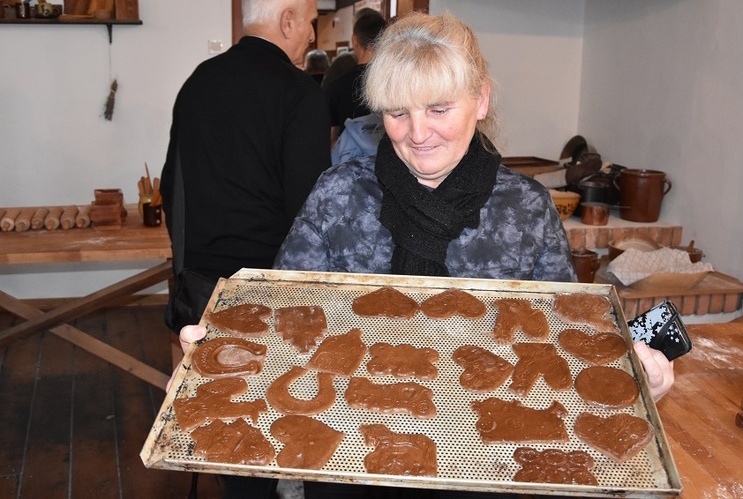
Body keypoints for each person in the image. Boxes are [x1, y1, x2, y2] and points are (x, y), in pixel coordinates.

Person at [170, 10, 674, 499]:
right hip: (351, 453)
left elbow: (567, 340)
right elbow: (283, 314)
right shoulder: (340, 194)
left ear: (480, 100)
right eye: (397, 112)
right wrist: (224, 348)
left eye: (438, 109)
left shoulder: (524, 208)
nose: (416, 133)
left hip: (483, 457)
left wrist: (634, 371)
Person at [159, 0, 331, 497]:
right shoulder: (299, 93)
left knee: (226, 420)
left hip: (205, 288)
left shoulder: (199, 81)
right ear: (289, 20)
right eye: (312, 24)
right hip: (271, 291)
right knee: (274, 414)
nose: (312, 38)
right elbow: (311, 210)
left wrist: (188, 264)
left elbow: (176, 184)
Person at [324, 9, 387, 146]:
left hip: (349, 162)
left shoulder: (337, 85)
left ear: (354, 40)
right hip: (389, 161)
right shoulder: (394, 82)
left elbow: (329, 137)